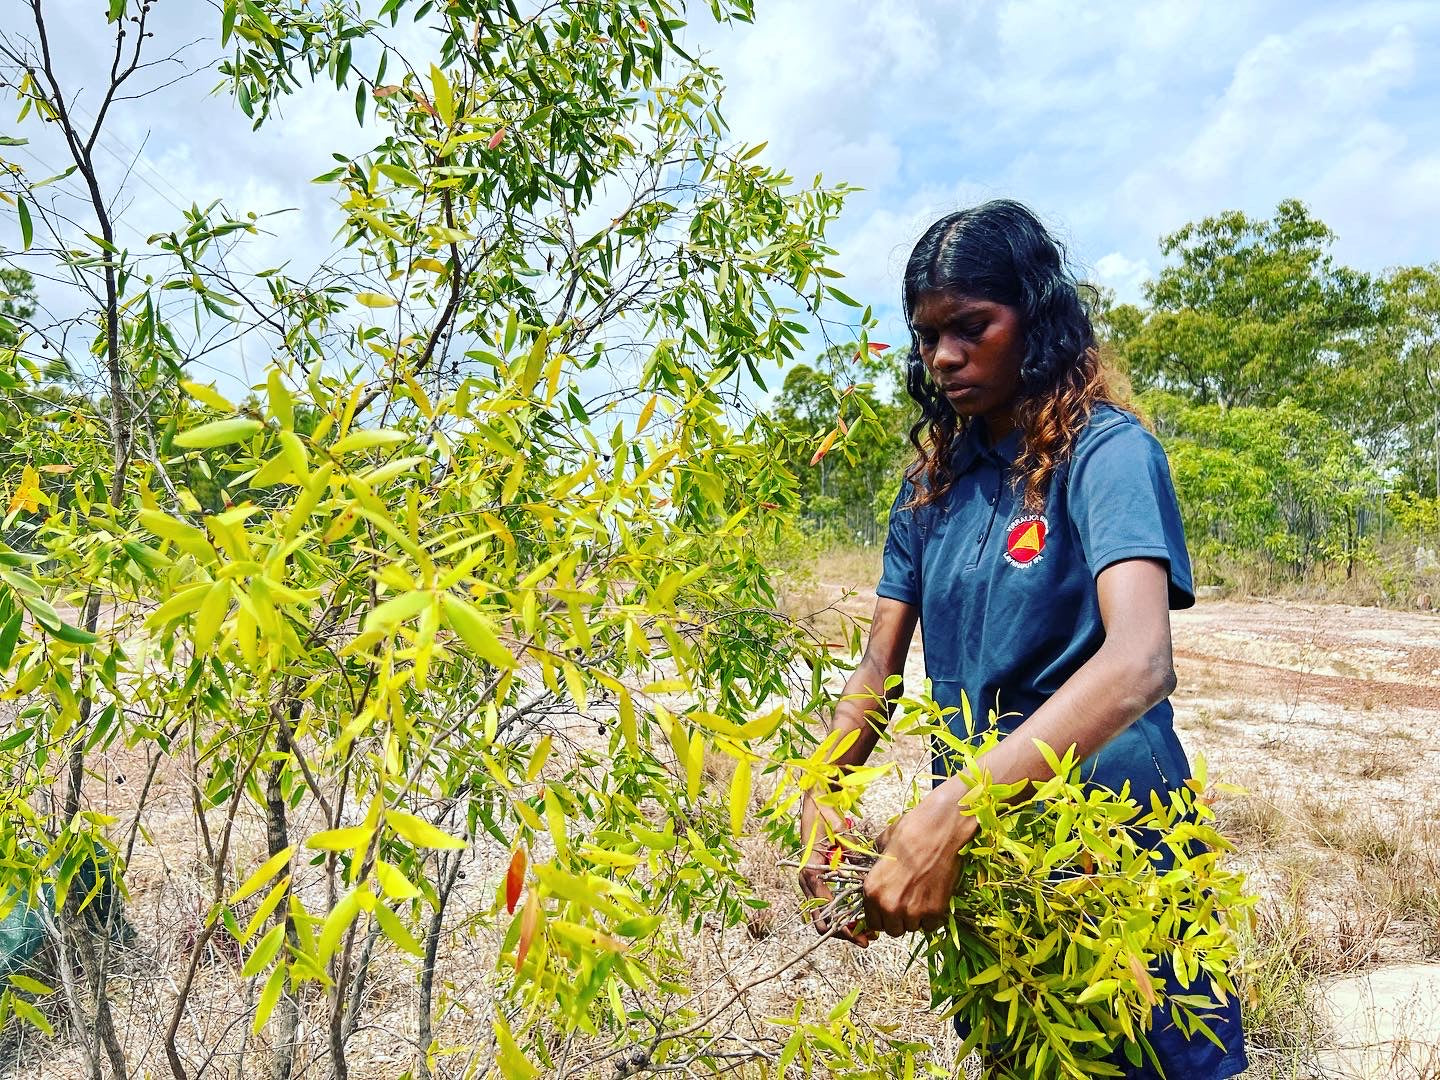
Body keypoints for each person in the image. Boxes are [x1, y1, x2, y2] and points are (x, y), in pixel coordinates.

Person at [797, 200, 1248, 1078]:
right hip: (997, 864)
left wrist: (949, 811)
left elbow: (1139, 662)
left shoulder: (1106, 455)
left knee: (1160, 1055)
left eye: (972, 326)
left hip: (1116, 850)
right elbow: (877, 666)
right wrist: (823, 785)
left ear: (1035, 318)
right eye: (929, 337)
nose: (945, 356)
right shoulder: (932, 485)